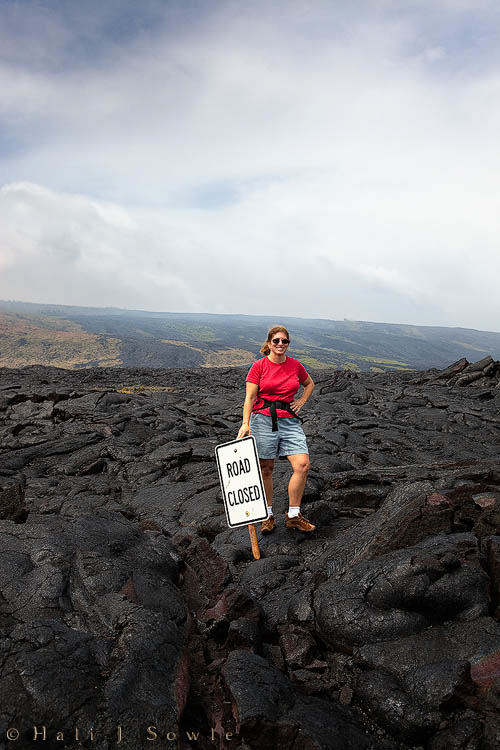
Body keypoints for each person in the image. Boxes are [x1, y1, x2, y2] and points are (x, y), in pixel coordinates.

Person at [237, 325, 316, 533]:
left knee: (302, 465)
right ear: (269, 343)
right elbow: (250, 397)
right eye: (276, 341)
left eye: (284, 341)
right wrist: (246, 423)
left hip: (289, 420)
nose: (280, 344)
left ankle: (293, 515)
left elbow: (309, 384)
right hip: (262, 420)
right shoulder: (259, 366)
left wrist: (301, 401)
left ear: (288, 344)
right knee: (266, 469)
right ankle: (267, 514)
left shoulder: (295, 365)